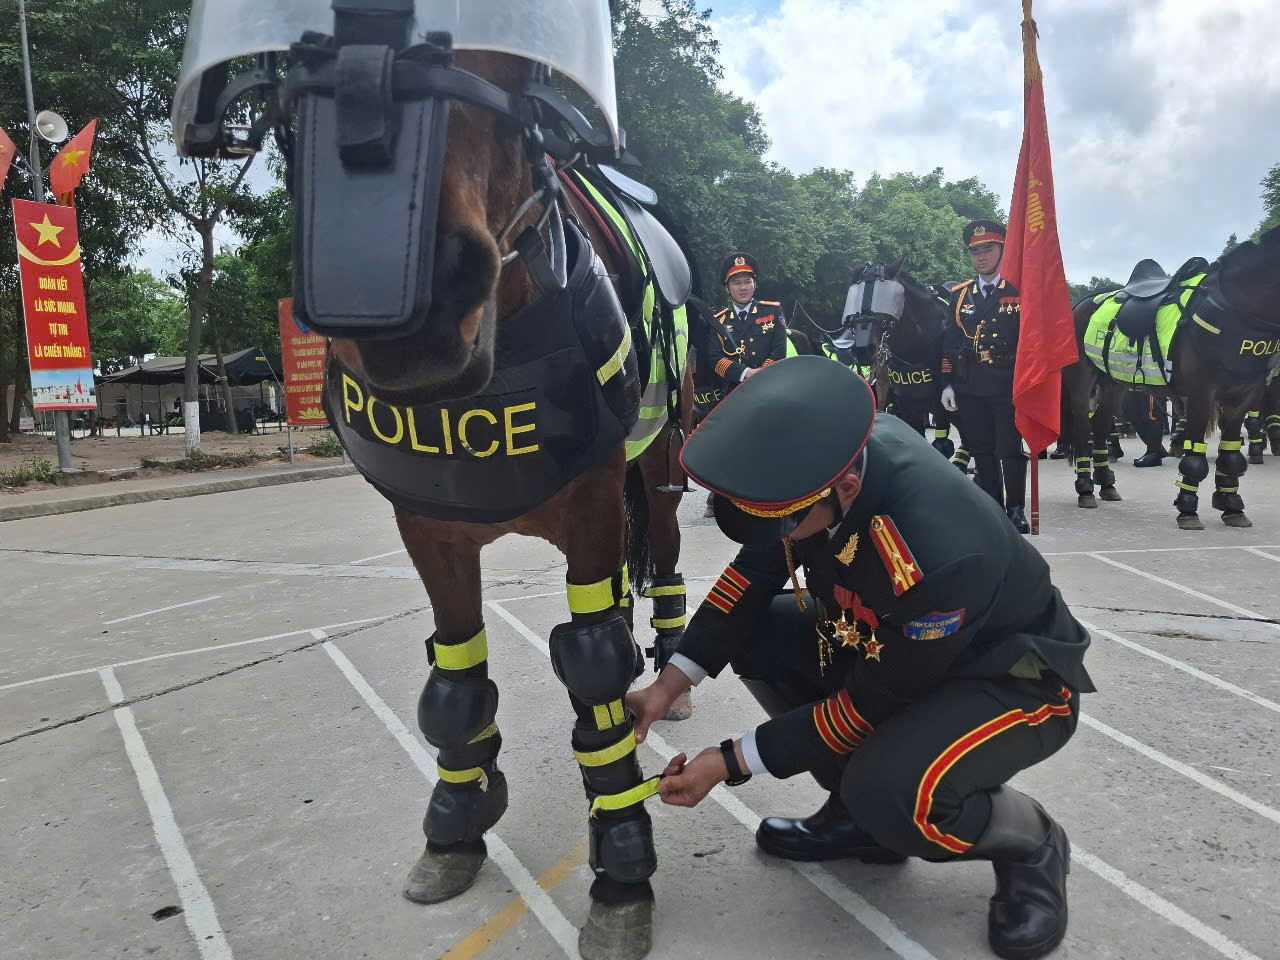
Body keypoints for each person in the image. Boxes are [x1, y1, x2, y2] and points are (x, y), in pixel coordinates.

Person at [628, 356, 1094, 960]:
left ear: (845, 489)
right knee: (762, 634)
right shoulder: (822, 465)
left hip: (1006, 679)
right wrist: (666, 685)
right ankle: (857, 821)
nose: (778, 536)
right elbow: (752, 574)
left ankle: (1030, 842)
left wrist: (728, 761)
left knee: (892, 791)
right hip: (897, 648)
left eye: (785, 524)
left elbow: (868, 704)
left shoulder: (937, 551)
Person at [940, 220, 1030, 533]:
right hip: (970, 384)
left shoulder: (1019, 291)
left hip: (1008, 382)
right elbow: (950, 342)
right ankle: (993, 506)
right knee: (981, 448)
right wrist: (947, 383)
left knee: (1010, 448)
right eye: (975, 252)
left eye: (988, 249)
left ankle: (1015, 509)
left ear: (1003, 250)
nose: (981, 257)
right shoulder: (961, 295)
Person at [692, 251, 791, 516]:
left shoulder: (772, 311)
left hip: (769, 386)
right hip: (734, 390)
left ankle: (775, 492)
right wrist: (745, 373)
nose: (743, 287)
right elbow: (715, 358)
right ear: (727, 288)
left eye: (747, 281)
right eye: (737, 282)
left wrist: (761, 373)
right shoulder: (719, 320)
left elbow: (779, 350)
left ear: (755, 283)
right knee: (729, 442)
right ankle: (721, 494)